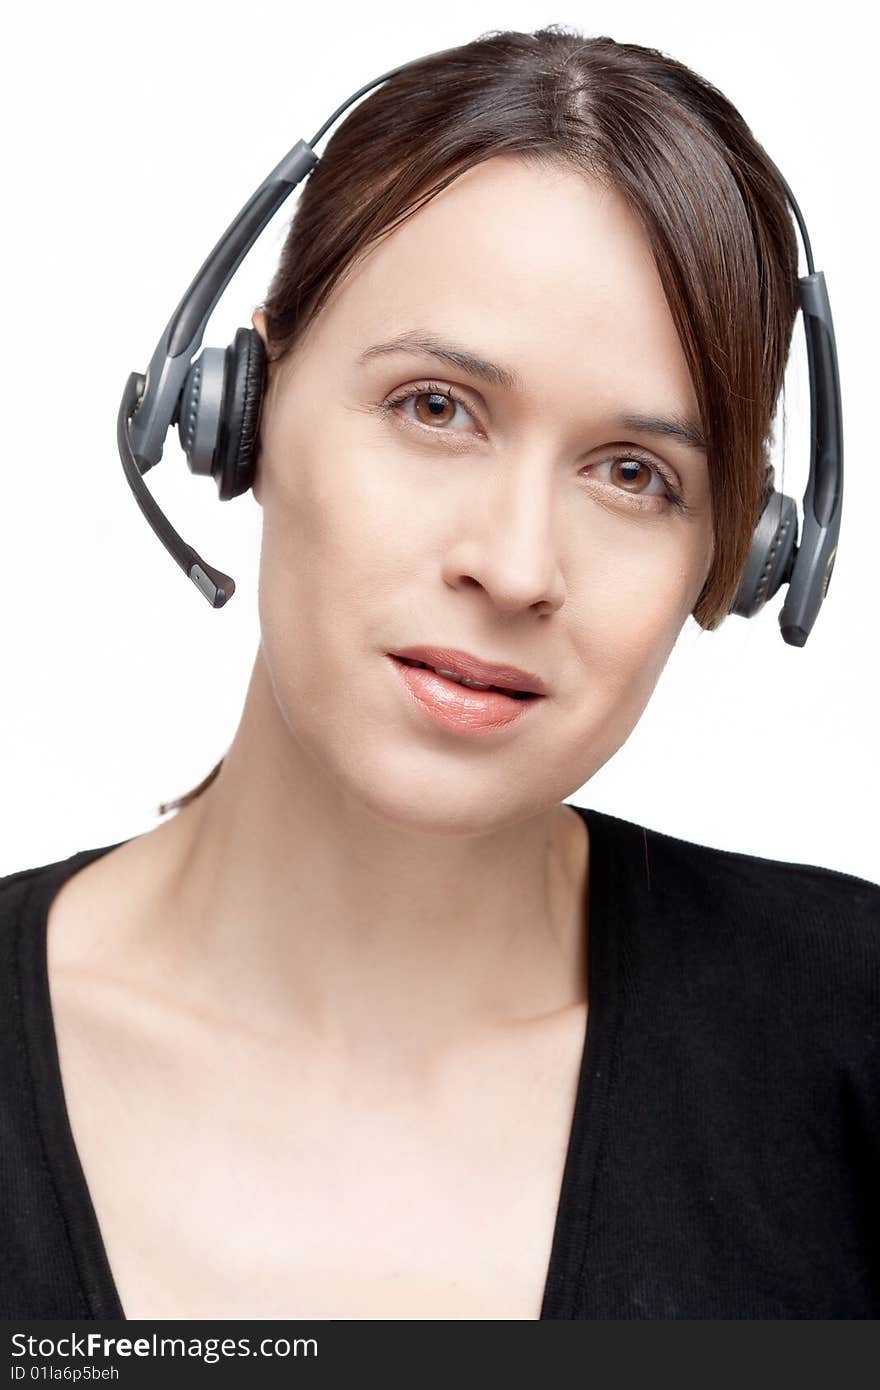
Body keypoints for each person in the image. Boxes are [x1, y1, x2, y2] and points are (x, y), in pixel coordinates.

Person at [1, 26, 877, 1322]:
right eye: (435, 406)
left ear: (739, 557)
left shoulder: (848, 1028)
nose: (516, 566)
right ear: (239, 406)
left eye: (636, 475)